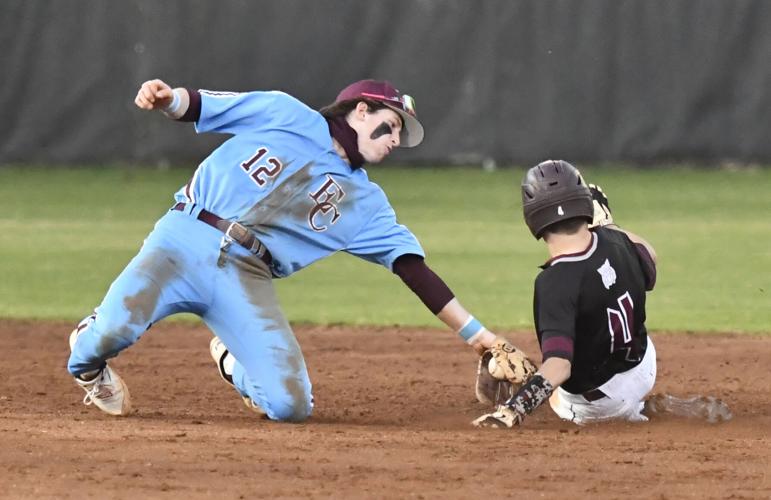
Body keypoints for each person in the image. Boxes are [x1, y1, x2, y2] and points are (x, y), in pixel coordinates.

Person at [66, 78, 533, 421]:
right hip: (182, 238)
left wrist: (481, 338)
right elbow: (203, 105)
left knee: (290, 405)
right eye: (391, 125)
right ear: (361, 110)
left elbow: (412, 269)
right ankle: (88, 359)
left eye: (400, 136)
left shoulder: (366, 203)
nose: (394, 140)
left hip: (246, 276)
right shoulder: (285, 113)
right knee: (110, 334)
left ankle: (232, 359)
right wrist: (167, 99)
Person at [473, 160, 658, 428]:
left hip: (600, 404)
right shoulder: (618, 240)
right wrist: (610, 226)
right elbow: (650, 260)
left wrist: (513, 412)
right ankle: (636, 405)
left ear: (533, 218)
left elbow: (560, 366)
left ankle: (635, 411)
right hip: (644, 366)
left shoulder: (555, 282)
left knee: (543, 384)